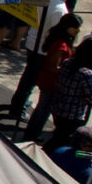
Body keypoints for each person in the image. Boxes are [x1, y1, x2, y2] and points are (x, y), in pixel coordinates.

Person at [9, 0, 81, 123]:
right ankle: (18, 108)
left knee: (28, 76)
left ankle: (18, 102)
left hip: (32, 42)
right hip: (43, 49)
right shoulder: (60, 10)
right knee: (31, 80)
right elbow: (56, 32)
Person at [22, 13, 84, 144]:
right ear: (67, 27)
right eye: (75, 27)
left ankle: (32, 133)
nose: (78, 31)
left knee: (42, 109)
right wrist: (66, 73)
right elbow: (52, 66)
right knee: (44, 110)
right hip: (51, 82)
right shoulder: (61, 44)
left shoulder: (60, 40)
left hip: (50, 80)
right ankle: (31, 135)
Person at [42, 40, 92, 149]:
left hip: (58, 107)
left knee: (59, 134)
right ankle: (47, 155)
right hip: (74, 114)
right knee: (62, 141)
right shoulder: (88, 74)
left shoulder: (67, 62)